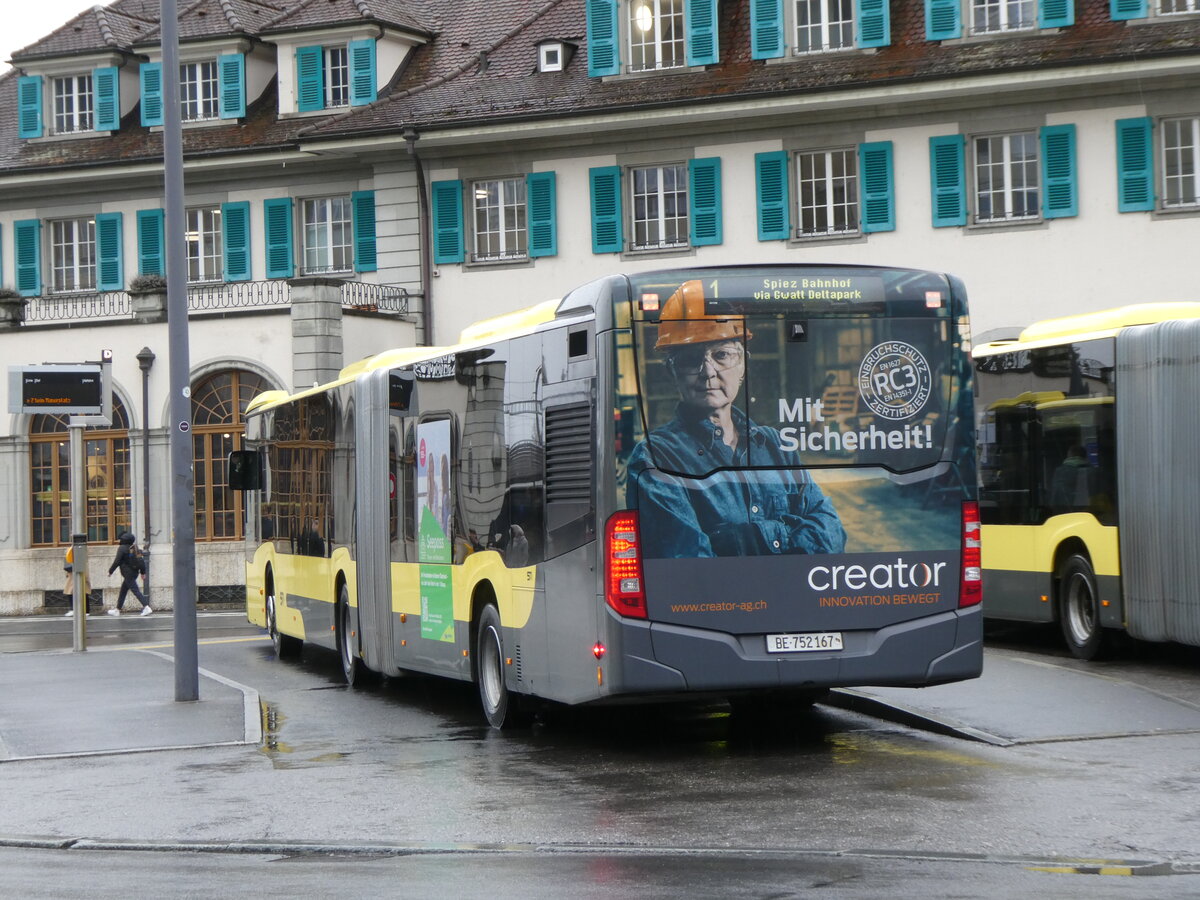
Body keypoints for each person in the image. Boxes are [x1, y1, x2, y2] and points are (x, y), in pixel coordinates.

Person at [627, 280, 846, 559]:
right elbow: (692, 569)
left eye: (721, 355)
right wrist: (786, 536)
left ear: (742, 365)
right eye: (690, 360)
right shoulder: (655, 458)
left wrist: (736, 542)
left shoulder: (775, 444)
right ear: (673, 374)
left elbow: (832, 532)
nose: (708, 371)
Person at [107, 531, 152, 616]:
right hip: (135, 572)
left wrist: (110, 571)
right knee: (123, 590)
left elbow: (117, 561)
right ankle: (117, 610)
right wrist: (143, 572)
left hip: (127, 574)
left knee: (135, 590)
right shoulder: (134, 548)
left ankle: (146, 607)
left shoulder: (122, 548)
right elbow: (141, 561)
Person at [62, 545, 91, 616]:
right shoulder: (71, 548)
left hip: (78, 571)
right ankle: (80, 609)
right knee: (72, 592)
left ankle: (81, 610)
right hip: (73, 572)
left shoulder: (80, 548)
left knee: (81, 592)